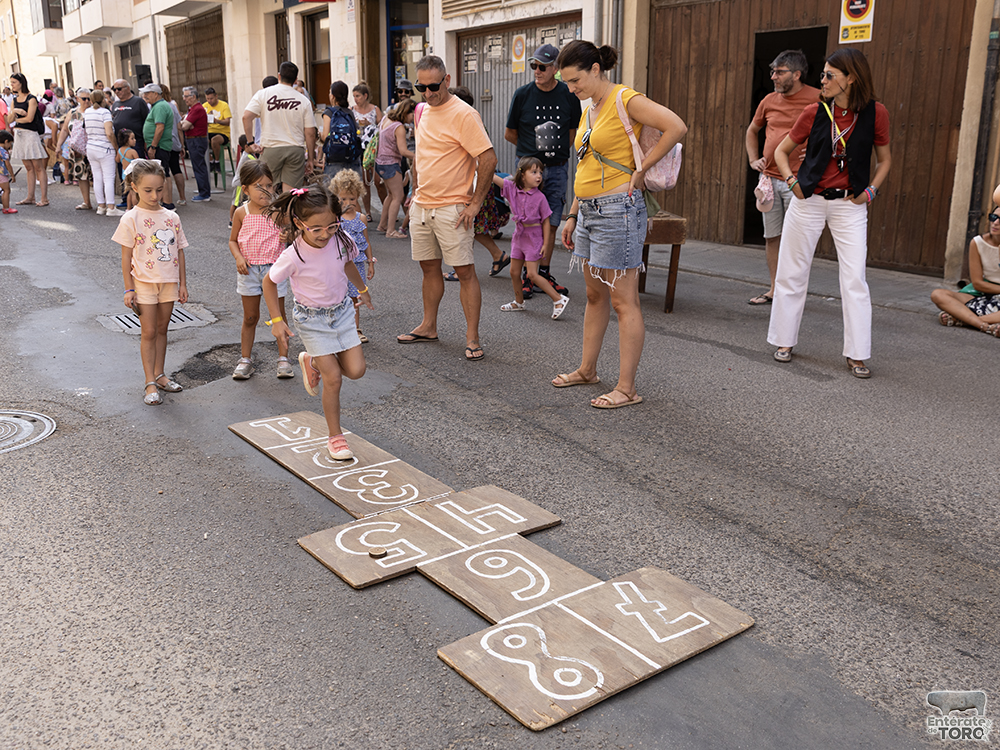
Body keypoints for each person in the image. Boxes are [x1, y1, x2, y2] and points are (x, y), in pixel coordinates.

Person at [554, 41, 687, 408]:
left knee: (623, 300)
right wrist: (573, 213)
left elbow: (676, 126)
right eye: (567, 82)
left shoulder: (625, 99)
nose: (571, 88)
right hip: (589, 211)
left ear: (596, 69)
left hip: (618, 210)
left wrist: (643, 168)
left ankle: (627, 388)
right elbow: (587, 164)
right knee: (594, 295)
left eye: (575, 80)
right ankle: (587, 370)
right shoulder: (591, 109)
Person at [768, 48, 891, 379]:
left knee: (854, 279)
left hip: (850, 205)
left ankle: (857, 354)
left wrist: (871, 191)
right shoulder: (814, 111)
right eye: (822, 74)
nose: (821, 80)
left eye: (829, 75)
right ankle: (783, 341)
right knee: (792, 272)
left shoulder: (876, 113)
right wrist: (792, 181)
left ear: (851, 78)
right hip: (809, 200)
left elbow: (885, 160)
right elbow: (781, 151)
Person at [395, 55, 497, 362]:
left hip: (453, 207)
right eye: (421, 87)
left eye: (434, 86)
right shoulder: (421, 111)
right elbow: (422, 155)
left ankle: (472, 337)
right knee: (428, 268)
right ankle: (429, 326)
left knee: (464, 272)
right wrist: (414, 192)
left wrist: (475, 203)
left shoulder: (464, 114)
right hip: (423, 205)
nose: (428, 93)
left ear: (447, 80)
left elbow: (488, 158)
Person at [262, 184, 372, 461]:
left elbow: (347, 264)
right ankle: (335, 437)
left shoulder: (342, 239)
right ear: (299, 224)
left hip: (342, 313)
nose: (325, 234)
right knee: (333, 378)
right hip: (311, 319)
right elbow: (269, 282)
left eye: (331, 226)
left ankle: (312, 361)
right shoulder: (293, 255)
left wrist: (362, 289)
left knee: (357, 370)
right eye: (317, 229)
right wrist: (277, 321)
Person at [745, 50, 820, 305]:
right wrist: (753, 159)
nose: (773, 77)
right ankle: (775, 290)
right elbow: (752, 130)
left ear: (797, 75)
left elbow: (833, 134)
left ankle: (794, 293)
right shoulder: (768, 100)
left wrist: (817, 157)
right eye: (772, 71)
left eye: (779, 72)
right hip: (768, 181)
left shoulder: (818, 99)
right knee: (772, 237)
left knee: (796, 240)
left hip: (798, 182)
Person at [506, 43, 580, 299]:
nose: (537, 70)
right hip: (527, 170)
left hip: (557, 168)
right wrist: (531, 159)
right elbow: (509, 133)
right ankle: (529, 274)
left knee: (552, 220)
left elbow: (572, 133)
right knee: (528, 221)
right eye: (533, 65)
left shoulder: (569, 95)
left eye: (542, 66)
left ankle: (543, 273)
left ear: (555, 68)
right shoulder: (522, 94)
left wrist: (554, 156)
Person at [114, 159, 189, 405]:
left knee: (162, 329)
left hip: (169, 282)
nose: (155, 196)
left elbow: (179, 251)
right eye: (148, 190)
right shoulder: (130, 218)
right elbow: (126, 258)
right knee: (148, 332)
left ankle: (160, 374)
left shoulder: (172, 217)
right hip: (143, 284)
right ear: (134, 187)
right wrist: (129, 289)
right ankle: (149, 382)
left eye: (159, 189)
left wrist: (182, 284)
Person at [228, 160, 295, 380]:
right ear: (245, 189)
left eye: (268, 185)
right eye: (259, 186)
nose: (265, 190)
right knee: (250, 317)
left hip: (275, 271)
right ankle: (245, 359)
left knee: (279, 315)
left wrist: (288, 234)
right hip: (248, 272)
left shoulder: (277, 212)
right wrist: (238, 257)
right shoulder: (241, 212)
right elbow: (232, 241)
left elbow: (293, 232)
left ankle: (283, 358)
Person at [446, 85, 510, 280]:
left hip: (473, 183)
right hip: (477, 181)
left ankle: (465, 267)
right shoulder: (472, 121)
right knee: (472, 226)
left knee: (467, 225)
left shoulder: (467, 122)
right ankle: (496, 256)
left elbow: (478, 159)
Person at [494, 157, 569, 318]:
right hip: (518, 236)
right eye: (534, 172)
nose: (539, 176)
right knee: (514, 272)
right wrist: (479, 166)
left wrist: (545, 244)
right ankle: (518, 302)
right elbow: (495, 179)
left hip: (534, 238)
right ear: (522, 175)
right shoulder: (512, 189)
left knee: (532, 274)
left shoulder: (540, 197)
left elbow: (546, 222)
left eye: (540, 172)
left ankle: (558, 299)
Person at [242, 62, 316, 192]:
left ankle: (269, 206)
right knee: (290, 194)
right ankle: (287, 206)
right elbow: (310, 132)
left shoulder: (263, 94)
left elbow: (246, 117)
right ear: (296, 80)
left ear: (279, 76)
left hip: (271, 148)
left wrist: (250, 142)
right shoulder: (303, 100)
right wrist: (310, 158)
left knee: (265, 190)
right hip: (295, 149)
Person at [930, 209, 1000, 335]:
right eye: (993, 217)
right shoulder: (978, 243)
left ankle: (964, 320)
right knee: (938, 294)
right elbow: (978, 284)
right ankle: (985, 325)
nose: (995, 223)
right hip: (983, 292)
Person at [330, 168, 376, 342]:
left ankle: (355, 329)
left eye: (352, 199)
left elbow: (366, 242)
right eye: (342, 199)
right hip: (337, 264)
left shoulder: (361, 218)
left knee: (355, 297)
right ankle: (338, 329)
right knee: (337, 297)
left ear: (358, 197)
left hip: (357, 264)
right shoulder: (334, 218)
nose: (347, 203)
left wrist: (370, 262)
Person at [6, 73, 49, 206]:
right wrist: (16, 112)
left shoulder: (31, 99)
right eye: (11, 82)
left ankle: (44, 198)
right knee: (28, 167)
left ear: (21, 83)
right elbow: (9, 120)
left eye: (14, 82)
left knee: (38, 167)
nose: (12, 85)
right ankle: (30, 197)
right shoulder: (14, 100)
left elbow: (29, 118)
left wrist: (17, 118)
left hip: (30, 134)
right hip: (20, 134)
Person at [375, 98, 414, 238]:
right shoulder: (399, 127)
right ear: (406, 112)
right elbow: (403, 151)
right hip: (391, 163)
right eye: (412, 115)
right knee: (398, 196)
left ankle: (382, 225)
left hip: (380, 162)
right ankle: (391, 230)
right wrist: (419, 156)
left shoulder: (386, 118)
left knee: (391, 195)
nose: (413, 118)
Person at [84, 89, 123, 216]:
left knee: (97, 178)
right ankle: (111, 207)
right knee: (108, 178)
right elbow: (109, 133)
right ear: (103, 100)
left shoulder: (87, 112)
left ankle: (101, 206)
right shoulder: (105, 112)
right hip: (105, 148)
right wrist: (116, 148)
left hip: (91, 147)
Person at [55, 88, 94, 209]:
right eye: (84, 99)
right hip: (77, 150)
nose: (87, 101)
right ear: (77, 99)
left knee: (96, 175)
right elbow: (65, 130)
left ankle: (103, 203)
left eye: (89, 98)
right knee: (81, 176)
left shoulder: (94, 111)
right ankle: (86, 202)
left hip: (93, 147)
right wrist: (58, 146)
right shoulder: (72, 112)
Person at [140, 83, 175, 209]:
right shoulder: (157, 106)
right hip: (159, 145)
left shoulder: (160, 106)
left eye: (147, 93)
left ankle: (168, 203)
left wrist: (153, 147)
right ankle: (167, 202)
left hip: (160, 146)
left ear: (155, 94)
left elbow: (160, 127)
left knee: (162, 174)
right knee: (163, 173)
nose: (145, 95)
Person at [351, 82, 383, 217]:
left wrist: (370, 124)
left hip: (373, 148)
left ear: (365, 96)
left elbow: (383, 127)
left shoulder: (375, 109)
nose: (355, 99)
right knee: (365, 182)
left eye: (358, 96)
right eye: (354, 96)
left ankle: (385, 209)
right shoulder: (351, 109)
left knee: (379, 181)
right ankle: (368, 212)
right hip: (359, 147)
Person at [321, 80, 362, 179]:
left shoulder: (329, 112)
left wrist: (319, 134)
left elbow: (325, 137)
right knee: (352, 187)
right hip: (352, 158)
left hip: (334, 160)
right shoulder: (350, 112)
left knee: (333, 188)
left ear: (333, 96)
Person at [180, 86, 211, 202]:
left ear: (193, 97)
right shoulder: (193, 109)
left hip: (196, 140)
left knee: (199, 167)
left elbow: (184, 126)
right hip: (194, 140)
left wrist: (186, 123)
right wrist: (186, 123)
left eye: (186, 96)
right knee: (198, 166)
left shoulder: (197, 109)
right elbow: (185, 124)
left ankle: (204, 193)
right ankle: (203, 191)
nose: (184, 99)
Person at [161, 85, 187, 206]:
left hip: (163, 142)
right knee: (176, 168)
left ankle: (167, 199)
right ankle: (182, 197)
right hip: (174, 141)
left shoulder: (156, 106)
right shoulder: (172, 106)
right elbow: (179, 126)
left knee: (164, 172)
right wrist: (182, 144)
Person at [110, 80, 149, 153]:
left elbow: (147, 121)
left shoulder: (138, 101)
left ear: (127, 88)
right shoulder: (115, 104)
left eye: (119, 89)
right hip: (120, 143)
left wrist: (146, 142)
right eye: (114, 90)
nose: (116, 91)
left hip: (136, 142)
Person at [203, 87, 232, 173]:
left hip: (222, 132)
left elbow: (227, 122)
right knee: (200, 140)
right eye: (207, 99)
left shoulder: (224, 105)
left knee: (214, 140)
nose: (209, 101)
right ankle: (210, 160)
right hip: (209, 131)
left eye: (211, 98)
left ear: (216, 96)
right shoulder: (204, 106)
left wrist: (217, 121)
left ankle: (217, 161)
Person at [116, 129, 139, 210]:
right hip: (132, 174)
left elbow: (117, 160)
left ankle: (128, 208)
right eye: (132, 138)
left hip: (124, 174)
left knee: (129, 192)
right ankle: (135, 208)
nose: (135, 140)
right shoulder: (132, 151)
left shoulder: (119, 150)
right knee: (134, 192)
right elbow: (138, 162)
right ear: (126, 140)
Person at [0, 130, 15, 213]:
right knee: (6, 190)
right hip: (2, 174)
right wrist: (12, 175)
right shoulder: (3, 152)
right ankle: (6, 208)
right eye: (10, 144)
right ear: (6, 141)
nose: (10, 146)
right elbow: (8, 165)